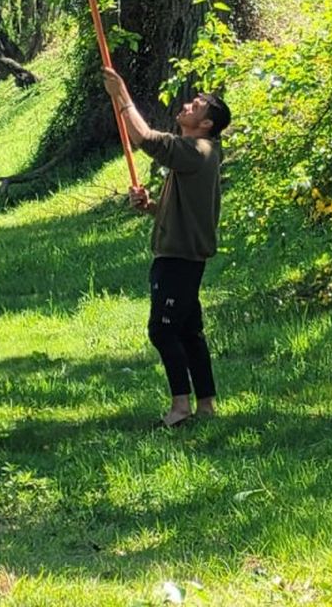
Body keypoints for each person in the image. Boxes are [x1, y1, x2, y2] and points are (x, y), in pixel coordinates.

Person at [103, 67, 231, 427]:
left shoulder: (197, 149)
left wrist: (121, 93)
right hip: (183, 255)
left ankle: (180, 408)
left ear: (206, 124)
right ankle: (205, 406)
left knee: (162, 330)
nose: (189, 105)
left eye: (197, 105)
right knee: (189, 331)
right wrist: (151, 208)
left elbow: (145, 138)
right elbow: (183, 209)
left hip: (178, 258)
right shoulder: (200, 153)